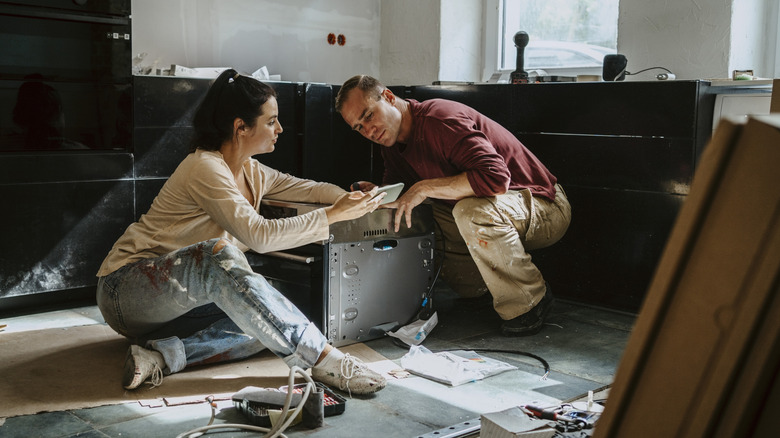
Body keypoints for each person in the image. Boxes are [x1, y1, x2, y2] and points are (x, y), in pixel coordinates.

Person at [96, 69, 387, 395]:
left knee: (267, 320)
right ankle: (323, 359)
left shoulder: (251, 170)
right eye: (271, 121)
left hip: (177, 310)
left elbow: (309, 189)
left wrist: (356, 199)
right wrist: (334, 215)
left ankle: (159, 357)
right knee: (216, 256)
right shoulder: (205, 167)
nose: (280, 129)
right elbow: (258, 236)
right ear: (241, 127)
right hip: (125, 291)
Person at [335, 75, 571, 336]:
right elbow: (404, 193)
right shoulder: (391, 143)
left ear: (389, 97)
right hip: (497, 211)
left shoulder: (440, 119)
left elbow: (496, 179)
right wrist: (381, 195)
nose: (368, 131)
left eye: (368, 116)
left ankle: (531, 300)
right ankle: (483, 288)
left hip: (543, 206)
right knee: (412, 214)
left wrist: (424, 187)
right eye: (359, 128)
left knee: (470, 211)